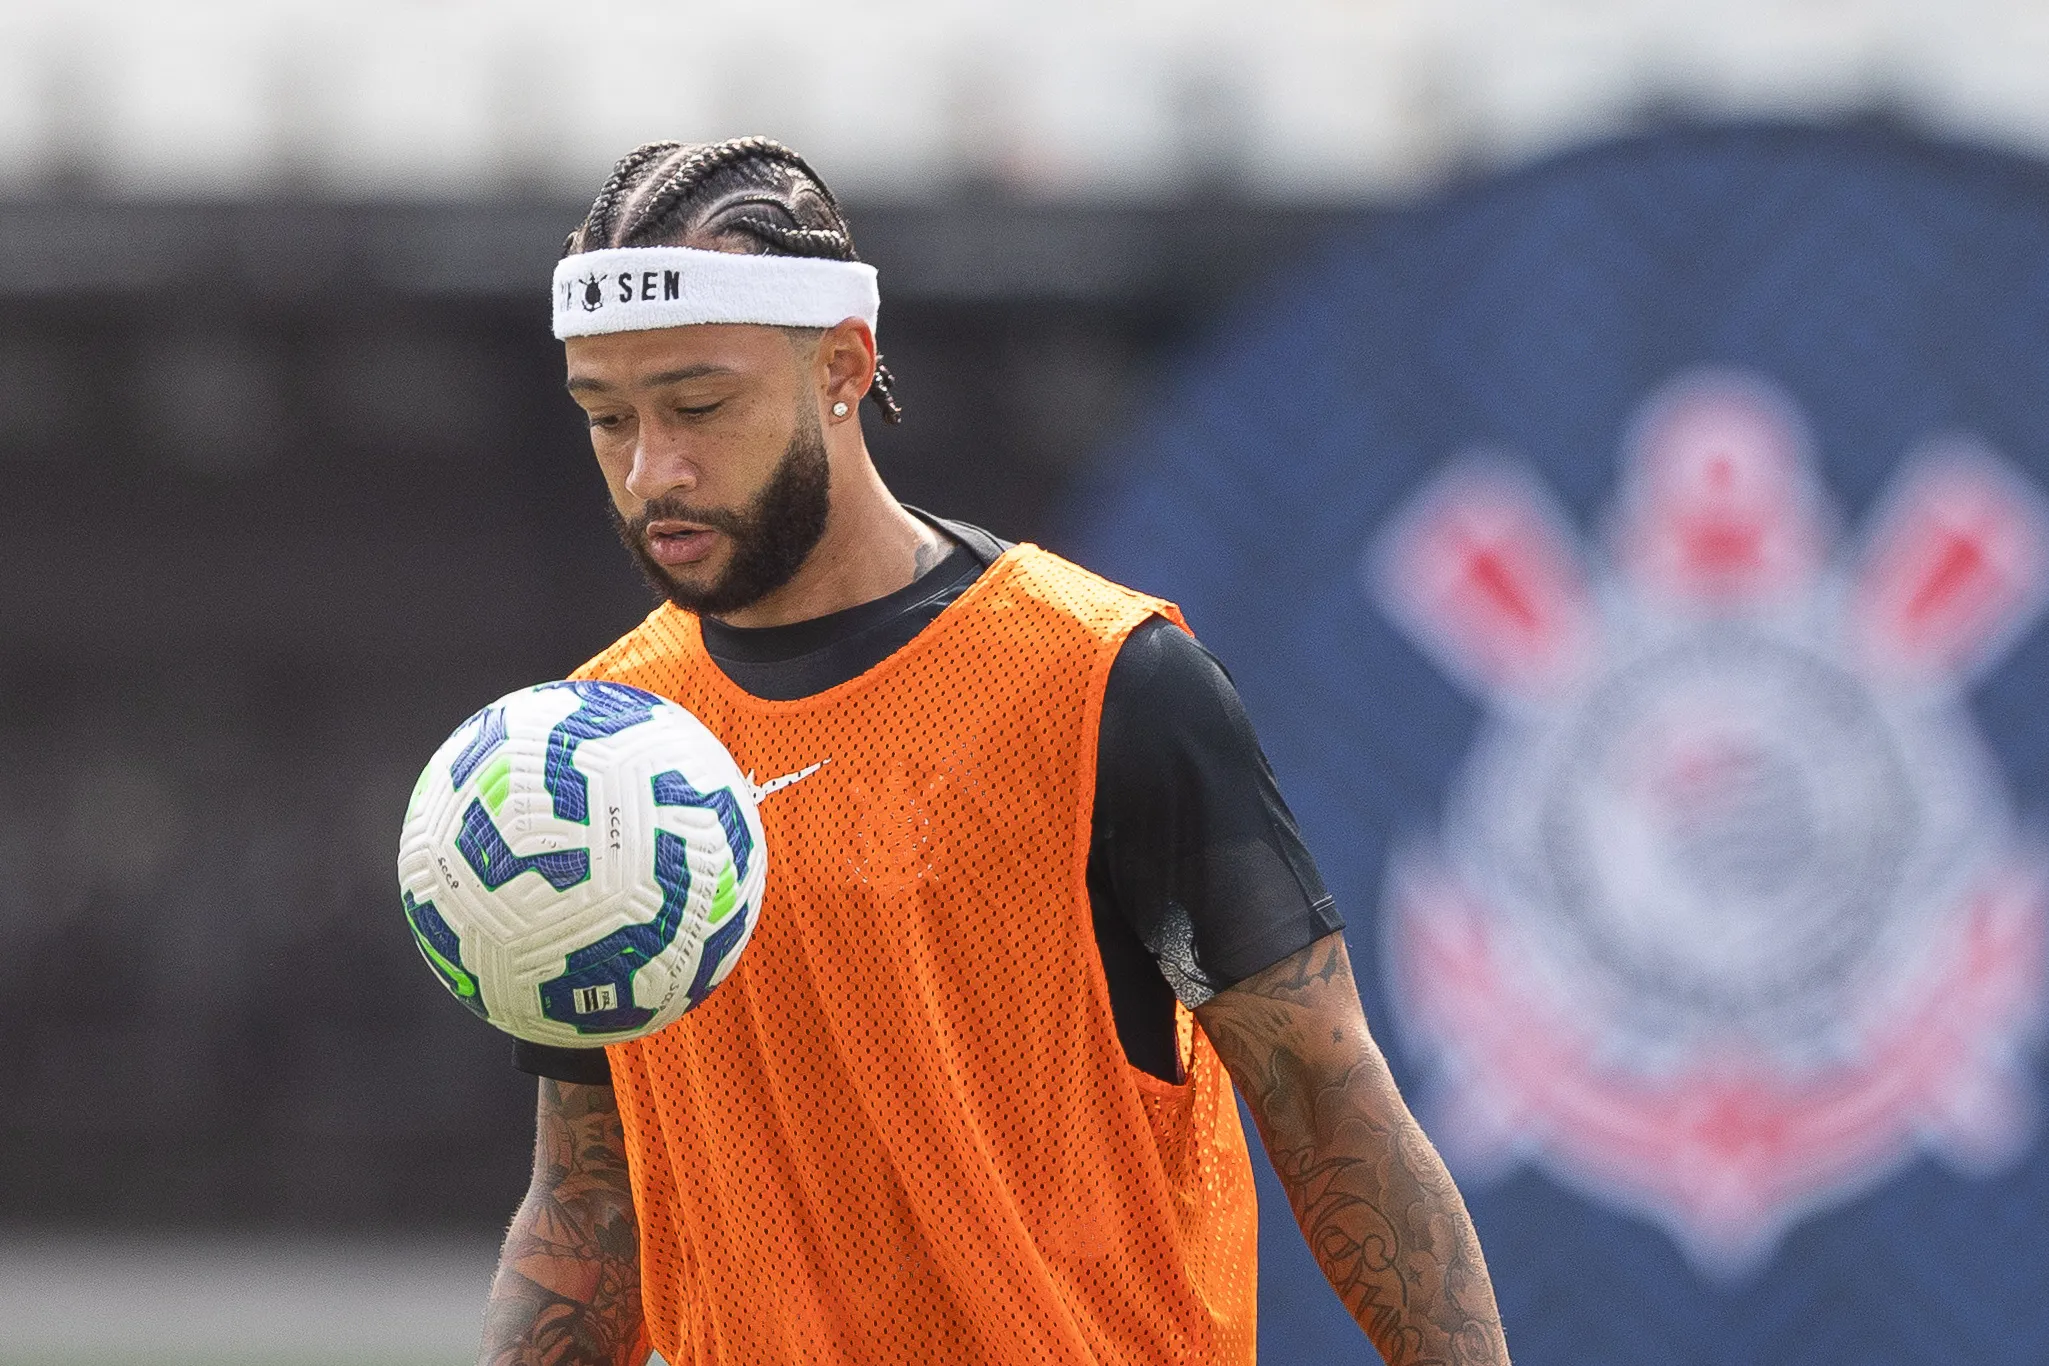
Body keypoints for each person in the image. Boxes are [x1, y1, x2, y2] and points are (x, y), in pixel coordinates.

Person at [479, 136, 1511, 1366]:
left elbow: (1333, 1106)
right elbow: (591, 1199)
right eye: (607, 419)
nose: (655, 469)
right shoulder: (595, 751)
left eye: (699, 405)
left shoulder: (1105, 681)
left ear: (843, 367)